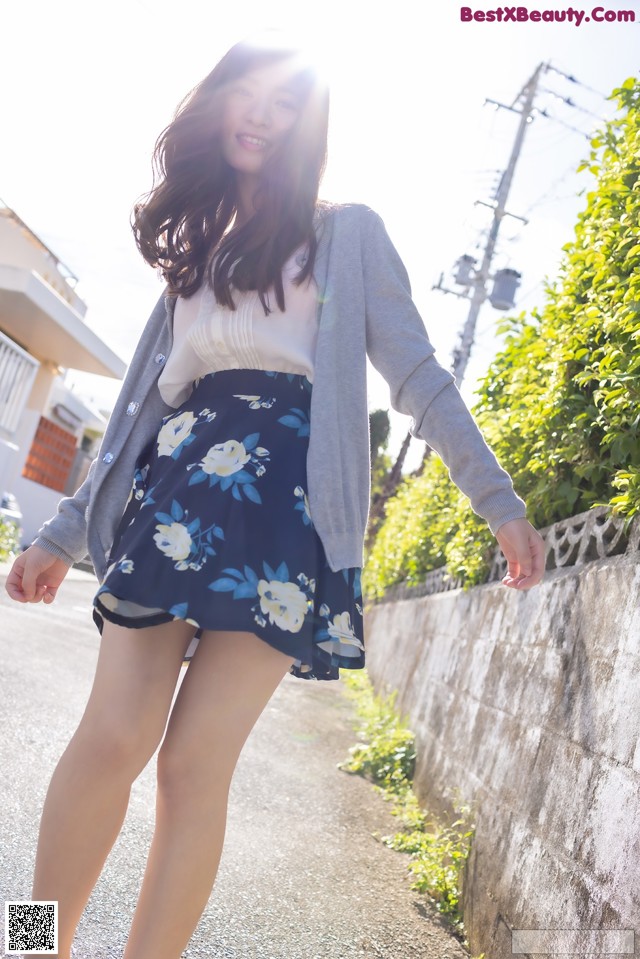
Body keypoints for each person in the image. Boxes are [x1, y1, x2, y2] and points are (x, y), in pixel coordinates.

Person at [5, 30, 545, 959]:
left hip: (289, 515)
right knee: (110, 738)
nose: (259, 112)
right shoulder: (192, 254)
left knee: (192, 766)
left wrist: (497, 501)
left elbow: (417, 372)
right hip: (174, 495)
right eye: (242, 94)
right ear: (213, 110)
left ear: (306, 123)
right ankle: (28, 944)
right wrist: (59, 531)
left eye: (282, 100)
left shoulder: (347, 232)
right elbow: (136, 417)